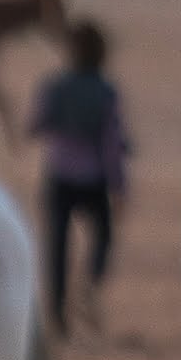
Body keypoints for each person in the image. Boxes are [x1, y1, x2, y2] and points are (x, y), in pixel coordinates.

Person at [28, 19, 130, 335]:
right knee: (103, 236)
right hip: (94, 176)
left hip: (59, 173)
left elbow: (36, 125)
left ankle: (57, 316)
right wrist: (119, 185)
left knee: (57, 247)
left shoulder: (54, 87)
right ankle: (90, 282)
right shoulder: (106, 91)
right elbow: (112, 143)